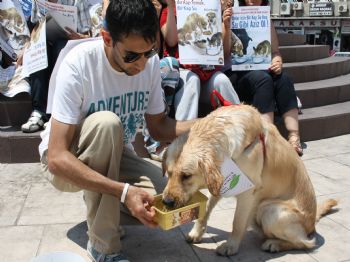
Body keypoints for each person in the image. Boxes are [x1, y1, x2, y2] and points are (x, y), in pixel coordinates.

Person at [39, 0, 195, 261]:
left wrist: (207, 122)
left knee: (168, 197)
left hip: (115, 155)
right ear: (107, 38)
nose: (141, 64)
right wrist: (123, 192)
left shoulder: (150, 64)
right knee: (106, 124)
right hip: (65, 163)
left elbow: (158, 128)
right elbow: (56, 157)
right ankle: (103, 246)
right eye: (132, 56)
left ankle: (102, 205)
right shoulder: (79, 64)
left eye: (150, 52)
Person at [224, 0, 303, 156]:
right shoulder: (231, 14)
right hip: (235, 72)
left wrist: (277, 60)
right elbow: (224, 54)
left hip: (260, 69)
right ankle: (267, 140)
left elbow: (275, 51)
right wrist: (226, 26)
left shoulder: (265, 17)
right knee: (263, 79)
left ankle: (294, 136)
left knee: (284, 79)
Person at [21, 0, 96, 133]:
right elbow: (36, 27)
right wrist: (29, 44)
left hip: (72, 45)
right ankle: (39, 112)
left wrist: (78, 36)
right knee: (38, 49)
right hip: (46, 44)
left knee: (59, 47)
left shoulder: (77, 1)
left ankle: (56, 114)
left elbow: (88, 35)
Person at [159, 0, 240, 121]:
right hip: (183, 75)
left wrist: (226, 27)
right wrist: (171, 6)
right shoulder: (170, 11)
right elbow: (171, 41)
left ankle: (243, 123)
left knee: (222, 80)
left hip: (208, 75)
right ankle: (184, 135)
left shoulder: (211, 10)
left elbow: (224, 54)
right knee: (193, 80)